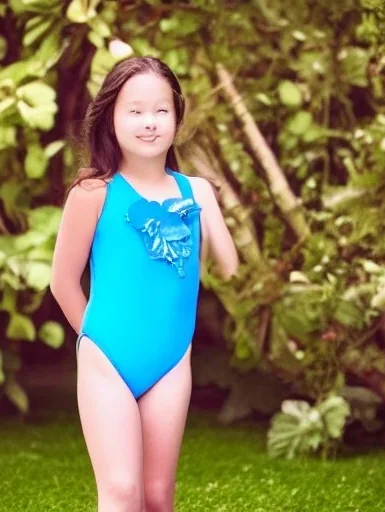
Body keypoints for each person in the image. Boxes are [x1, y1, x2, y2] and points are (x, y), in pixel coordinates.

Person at [50, 56, 238, 512]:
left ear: (177, 116)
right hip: (106, 358)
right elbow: (62, 282)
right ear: (110, 118)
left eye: (161, 110)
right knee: (120, 491)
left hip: (172, 361)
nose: (149, 123)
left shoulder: (196, 193)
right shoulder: (93, 193)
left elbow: (233, 272)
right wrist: (98, 342)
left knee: (157, 496)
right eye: (134, 111)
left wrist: (204, 204)